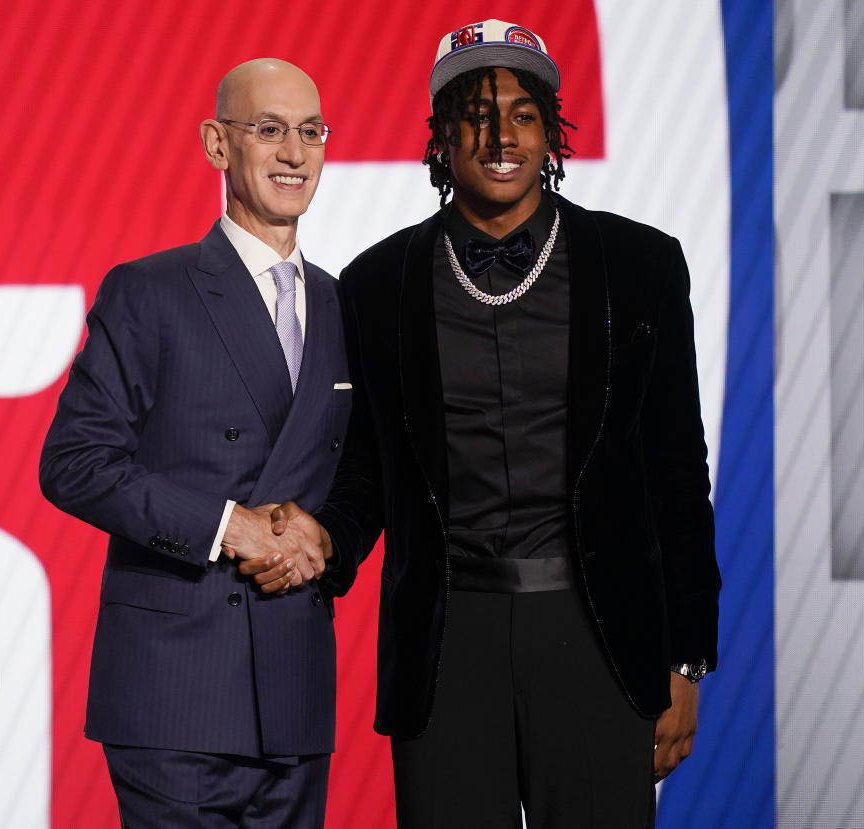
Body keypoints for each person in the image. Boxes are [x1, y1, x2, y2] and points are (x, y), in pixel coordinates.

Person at [247, 19, 722, 829]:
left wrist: (685, 657)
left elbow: (677, 470)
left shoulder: (642, 266)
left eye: (522, 113)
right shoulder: (377, 282)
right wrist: (322, 538)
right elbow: (369, 469)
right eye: (473, 113)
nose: (499, 135)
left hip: (598, 634)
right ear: (440, 136)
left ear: (551, 131)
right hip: (445, 643)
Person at [39, 58, 348, 828]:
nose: (293, 153)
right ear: (217, 144)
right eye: (268, 129)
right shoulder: (149, 291)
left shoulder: (348, 304)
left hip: (296, 690)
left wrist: (328, 536)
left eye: (310, 132)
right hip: (174, 690)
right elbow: (73, 462)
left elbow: (363, 468)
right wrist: (226, 524)